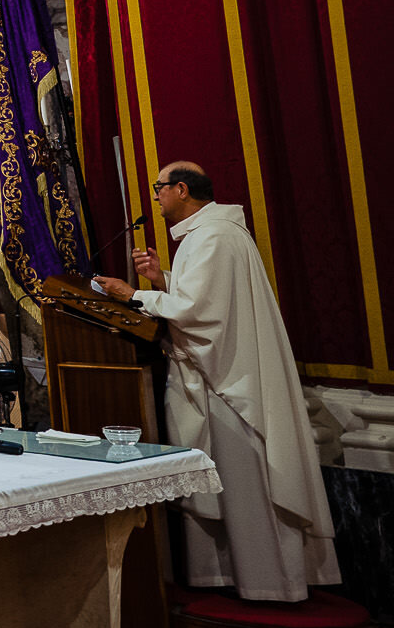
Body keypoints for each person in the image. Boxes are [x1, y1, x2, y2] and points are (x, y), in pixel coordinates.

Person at [95, 162, 339, 603]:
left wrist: (132, 295)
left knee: (244, 484)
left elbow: (198, 311)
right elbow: (201, 298)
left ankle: (270, 582)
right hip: (219, 377)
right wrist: (162, 281)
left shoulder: (214, 236)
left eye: (160, 188)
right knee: (228, 483)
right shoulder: (209, 234)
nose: (156, 197)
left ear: (182, 189)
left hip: (230, 385)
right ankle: (232, 576)